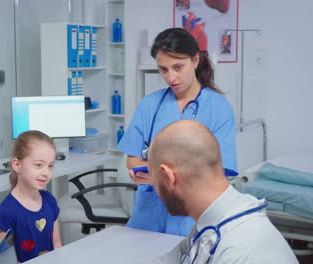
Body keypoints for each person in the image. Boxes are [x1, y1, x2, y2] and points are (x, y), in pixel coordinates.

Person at [117, 27, 237, 236]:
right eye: (163, 69)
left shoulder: (218, 107)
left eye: (178, 67)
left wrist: (159, 174)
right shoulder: (150, 105)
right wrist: (154, 174)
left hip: (195, 215)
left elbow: (221, 171)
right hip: (149, 214)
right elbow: (133, 160)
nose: (171, 77)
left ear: (195, 60)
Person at [148, 120, 297, 263]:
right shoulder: (209, 222)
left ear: (168, 177)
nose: (156, 191)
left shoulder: (243, 252)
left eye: (154, 182)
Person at [0, 130, 62, 263]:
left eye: (50, 166)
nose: (46, 173)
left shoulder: (50, 201)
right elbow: (3, 262)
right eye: (39, 165)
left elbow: (57, 245)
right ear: (17, 165)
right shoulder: (6, 212)